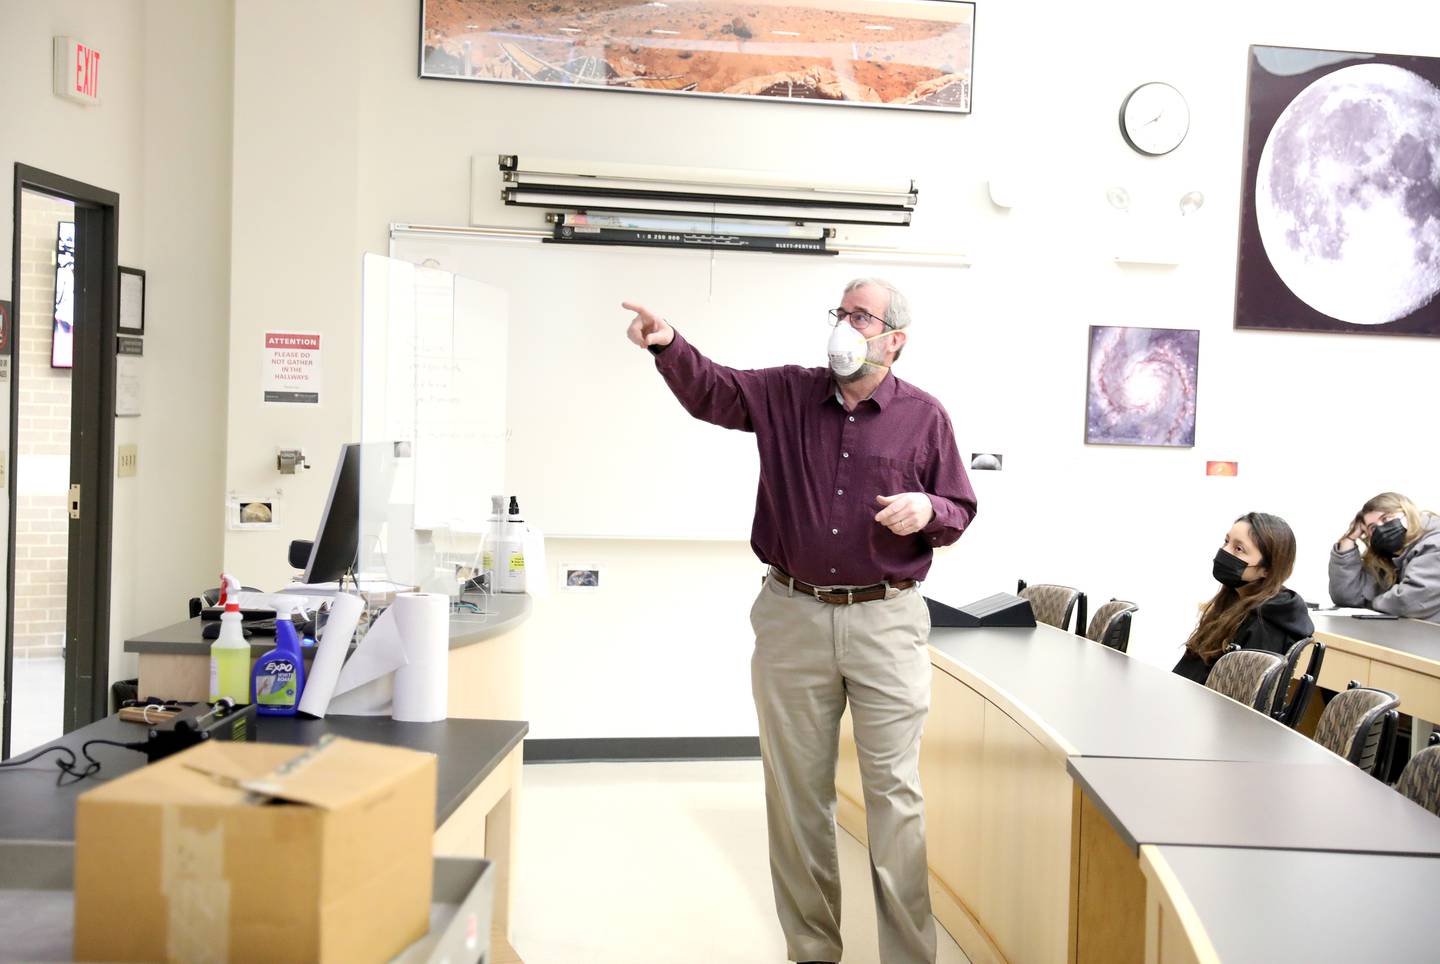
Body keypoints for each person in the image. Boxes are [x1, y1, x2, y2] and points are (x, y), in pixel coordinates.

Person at [624, 279, 976, 964]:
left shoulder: (925, 417)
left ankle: (908, 956)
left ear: (894, 339)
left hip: (886, 623)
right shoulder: (787, 393)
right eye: (840, 312)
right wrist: (668, 344)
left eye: (861, 315)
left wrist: (928, 513)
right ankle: (813, 951)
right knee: (797, 799)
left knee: (893, 800)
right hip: (792, 616)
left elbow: (959, 505)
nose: (845, 324)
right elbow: (713, 390)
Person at [1173, 512, 1313, 685]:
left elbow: (1236, 696)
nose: (1225, 551)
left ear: (1267, 569)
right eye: (1226, 541)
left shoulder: (1265, 626)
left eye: (1238, 549)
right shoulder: (1232, 600)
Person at [1330, 492, 1440, 620]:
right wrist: (1349, 538)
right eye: (1372, 528)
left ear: (1407, 512)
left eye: (1386, 518)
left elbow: (1411, 601)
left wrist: (1371, 603)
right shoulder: (1387, 556)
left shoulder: (1435, 542)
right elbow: (1346, 597)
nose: (1381, 529)